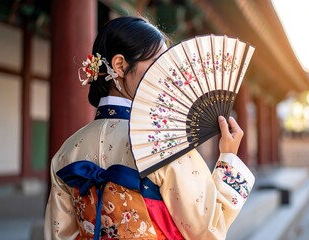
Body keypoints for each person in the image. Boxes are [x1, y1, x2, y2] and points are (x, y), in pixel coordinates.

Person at [44, 16, 255, 240]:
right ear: (119, 65)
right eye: (157, 64)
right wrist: (228, 158)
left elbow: (58, 234)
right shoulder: (161, 142)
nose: (164, 75)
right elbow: (208, 230)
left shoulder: (66, 152)